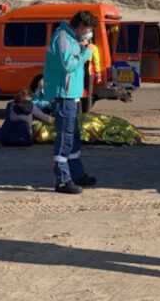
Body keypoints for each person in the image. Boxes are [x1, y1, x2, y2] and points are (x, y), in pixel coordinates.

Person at [43, 10, 99, 194]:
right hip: (63, 95)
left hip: (71, 95)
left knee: (73, 137)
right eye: (88, 29)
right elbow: (67, 65)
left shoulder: (72, 39)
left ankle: (76, 173)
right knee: (65, 138)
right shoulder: (63, 37)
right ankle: (62, 180)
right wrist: (86, 54)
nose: (89, 33)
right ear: (81, 26)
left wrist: (82, 48)